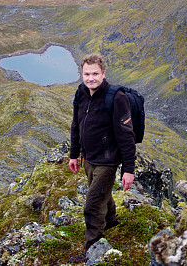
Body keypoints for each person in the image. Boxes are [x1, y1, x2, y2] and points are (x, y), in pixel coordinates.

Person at [69, 53, 136, 256]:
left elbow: (126, 135)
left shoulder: (117, 98)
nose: (91, 78)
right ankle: (111, 221)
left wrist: (129, 170)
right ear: (81, 74)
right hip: (88, 158)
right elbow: (76, 125)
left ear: (103, 74)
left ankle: (94, 248)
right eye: (87, 74)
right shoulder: (81, 94)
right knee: (101, 194)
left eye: (95, 74)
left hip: (108, 161)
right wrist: (74, 154)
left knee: (92, 205)